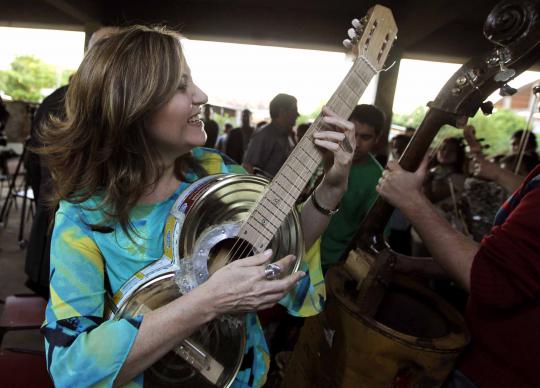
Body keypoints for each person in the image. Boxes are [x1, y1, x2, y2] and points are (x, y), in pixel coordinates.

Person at [39, 26, 356, 387]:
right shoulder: (83, 217)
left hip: (240, 373)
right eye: (180, 85)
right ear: (132, 106)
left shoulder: (217, 171)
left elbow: (281, 247)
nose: (201, 95)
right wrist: (210, 300)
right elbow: (72, 367)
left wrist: (329, 190)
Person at [377, 124, 540, 387]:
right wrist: (413, 265)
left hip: (498, 372)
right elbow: (505, 265)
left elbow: (492, 279)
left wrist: (411, 200)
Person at [320, 104, 385, 270]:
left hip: (332, 260)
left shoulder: (378, 179)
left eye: (365, 137)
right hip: (299, 242)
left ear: (377, 139)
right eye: (352, 134)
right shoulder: (325, 153)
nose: (355, 143)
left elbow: (372, 233)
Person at [243, 94, 299, 177]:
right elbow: (248, 168)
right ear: (282, 112)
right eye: (293, 110)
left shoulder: (287, 135)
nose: (297, 115)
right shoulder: (263, 135)